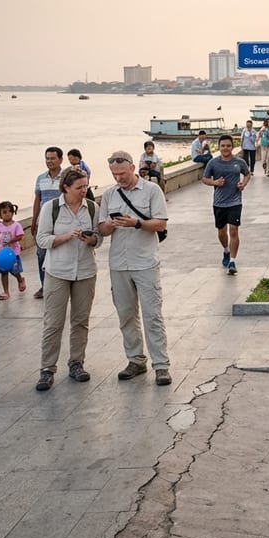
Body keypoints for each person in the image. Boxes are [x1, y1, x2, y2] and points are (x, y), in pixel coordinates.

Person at [98, 151, 171, 386]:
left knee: (152, 315)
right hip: (119, 263)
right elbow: (101, 229)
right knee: (126, 315)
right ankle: (135, 360)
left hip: (145, 261)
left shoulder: (152, 190)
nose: (119, 178)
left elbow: (160, 223)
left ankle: (161, 365)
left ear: (132, 168)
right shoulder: (109, 195)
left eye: (122, 173)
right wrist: (109, 224)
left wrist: (137, 223)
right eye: (114, 174)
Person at [34, 168, 101, 392]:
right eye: (79, 187)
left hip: (85, 270)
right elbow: (42, 239)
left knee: (80, 320)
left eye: (86, 186)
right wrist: (65, 237)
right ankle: (47, 369)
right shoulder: (51, 208)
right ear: (65, 188)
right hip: (57, 271)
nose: (84, 191)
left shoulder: (92, 208)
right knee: (53, 322)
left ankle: (76, 363)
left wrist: (91, 239)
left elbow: (99, 239)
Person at [202, 134, 251, 275]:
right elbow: (204, 179)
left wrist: (243, 184)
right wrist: (214, 182)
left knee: (234, 230)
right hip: (219, 203)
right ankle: (226, 250)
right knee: (221, 231)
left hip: (235, 201)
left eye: (228, 146)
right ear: (219, 147)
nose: (225, 148)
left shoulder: (239, 162)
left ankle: (232, 261)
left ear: (232, 147)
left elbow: (247, 174)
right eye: (223, 146)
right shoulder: (213, 163)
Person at [30, 146, 64, 300]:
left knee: (61, 254)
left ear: (60, 160)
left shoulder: (67, 177)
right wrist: (34, 220)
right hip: (43, 222)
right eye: (47, 158)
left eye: (52, 158)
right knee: (41, 254)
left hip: (61, 222)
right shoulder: (40, 178)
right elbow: (38, 199)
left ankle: (62, 286)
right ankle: (45, 286)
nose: (49, 161)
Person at [0, 201, 27, 300]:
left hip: (13, 253)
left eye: (9, 211)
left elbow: (20, 236)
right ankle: (6, 292)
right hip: (2, 254)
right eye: (4, 212)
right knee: (4, 273)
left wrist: (12, 240)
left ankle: (20, 279)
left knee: (14, 271)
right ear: (0, 215)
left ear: (12, 212)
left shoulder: (16, 225)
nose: (7, 214)